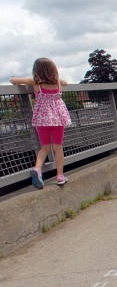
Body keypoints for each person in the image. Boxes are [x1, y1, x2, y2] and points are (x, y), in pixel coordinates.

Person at [10, 58, 72, 189]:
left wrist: (15, 77)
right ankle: (60, 176)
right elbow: (66, 82)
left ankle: (37, 169)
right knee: (58, 147)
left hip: (41, 120)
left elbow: (13, 81)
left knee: (45, 147)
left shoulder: (36, 83)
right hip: (57, 119)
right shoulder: (58, 82)